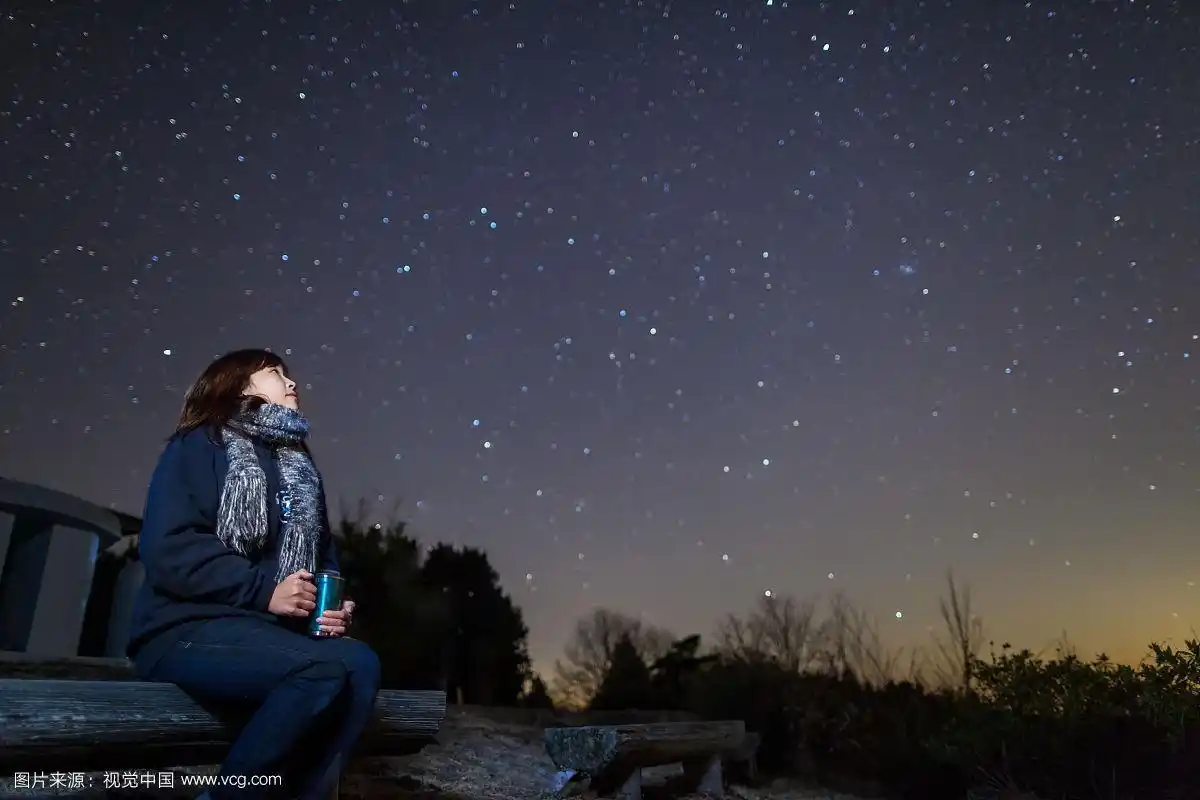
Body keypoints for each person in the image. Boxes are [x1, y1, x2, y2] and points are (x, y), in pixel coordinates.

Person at [126, 348, 381, 800]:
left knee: (360, 664)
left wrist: (329, 608)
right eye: (275, 374)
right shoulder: (200, 444)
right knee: (320, 670)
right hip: (184, 630)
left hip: (267, 636)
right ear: (241, 386)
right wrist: (265, 592)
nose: (292, 383)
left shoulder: (301, 469)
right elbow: (170, 548)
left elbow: (324, 559)